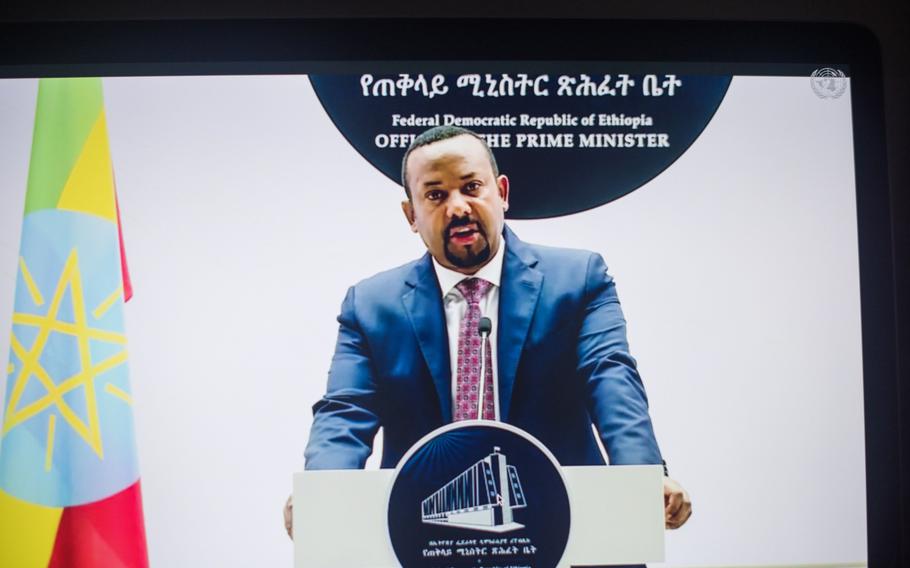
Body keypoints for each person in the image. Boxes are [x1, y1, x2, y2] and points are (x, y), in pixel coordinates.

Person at [285, 125, 691, 537]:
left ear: (501, 192)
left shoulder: (578, 280)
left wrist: (642, 477)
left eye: (471, 187)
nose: (458, 207)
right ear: (411, 215)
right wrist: (321, 491)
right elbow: (346, 411)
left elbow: (611, 378)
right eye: (436, 195)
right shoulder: (371, 305)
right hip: (426, 536)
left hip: (567, 526)